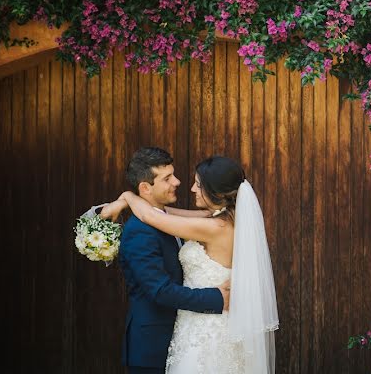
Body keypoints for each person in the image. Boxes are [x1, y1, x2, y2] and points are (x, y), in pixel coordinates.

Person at [106, 154, 279, 373]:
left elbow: (154, 217)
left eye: (198, 185)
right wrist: (128, 199)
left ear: (213, 191)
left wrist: (128, 197)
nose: (189, 188)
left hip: (208, 329)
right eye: (168, 178)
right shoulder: (225, 218)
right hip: (199, 325)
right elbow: (163, 213)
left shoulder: (215, 227)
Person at [99, 147, 230, 374]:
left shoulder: (168, 219)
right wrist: (216, 297)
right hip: (152, 347)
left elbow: (201, 215)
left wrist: (128, 199)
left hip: (187, 340)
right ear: (145, 188)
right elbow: (160, 290)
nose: (177, 182)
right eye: (167, 178)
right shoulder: (139, 231)